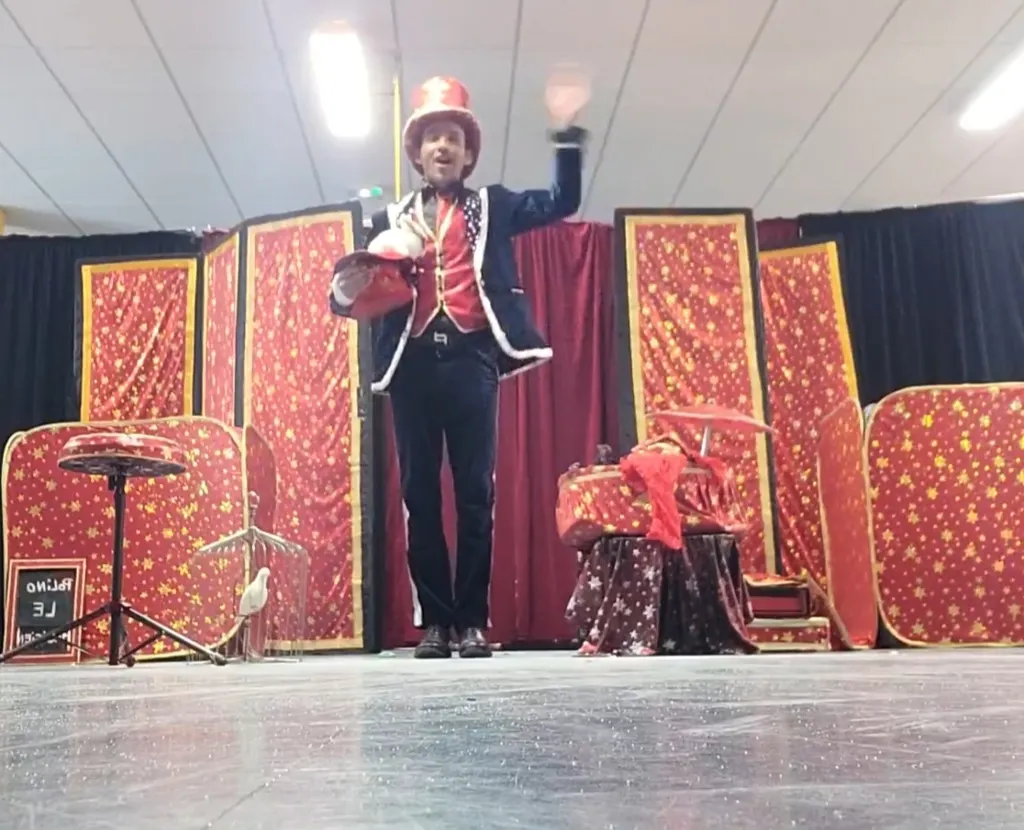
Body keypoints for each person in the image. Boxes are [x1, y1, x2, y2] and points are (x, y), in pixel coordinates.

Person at [331, 72, 590, 658]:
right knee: (419, 496)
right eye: (433, 138)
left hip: (473, 361)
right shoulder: (390, 219)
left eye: (453, 138)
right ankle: (436, 624)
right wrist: (350, 286)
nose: (443, 146)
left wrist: (565, 134)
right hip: (412, 367)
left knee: (476, 494)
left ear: (469, 154)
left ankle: (471, 621)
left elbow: (562, 201)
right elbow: (354, 292)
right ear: (417, 154)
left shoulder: (492, 206)